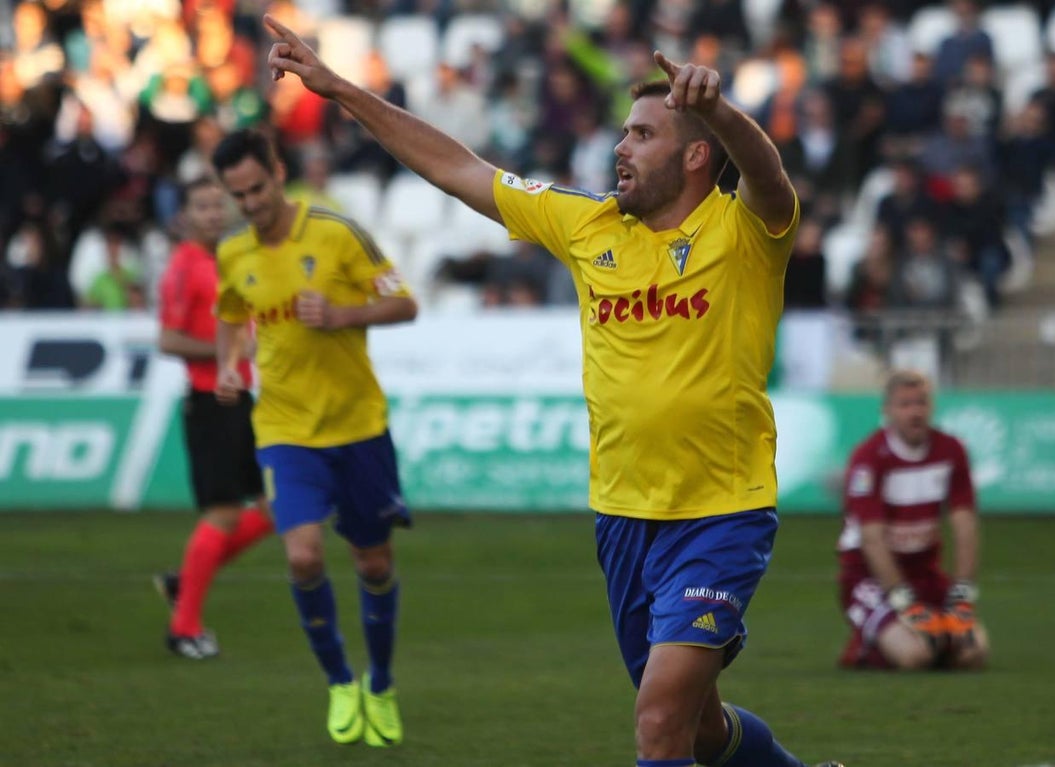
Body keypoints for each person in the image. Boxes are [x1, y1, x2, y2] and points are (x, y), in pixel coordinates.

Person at [265, 15, 843, 767]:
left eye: (642, 134)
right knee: (696, 726)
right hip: (623, 517)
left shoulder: (743, 234)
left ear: (697, 152)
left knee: (659, 721)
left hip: (721, 513)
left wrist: (723, 110)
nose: (619, 147)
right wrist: (340, 90)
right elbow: (457, 167)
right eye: (623, 132)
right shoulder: (586, 225)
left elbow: (769, 177)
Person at [210, 128, 418, 747]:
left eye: (256, 188)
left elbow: (404, 304)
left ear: (277, 172)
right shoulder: (233, 254)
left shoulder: (336, 232)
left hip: (358, 426)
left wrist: (341, 315)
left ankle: (380, 683)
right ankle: (338, 681)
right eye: (237, 195)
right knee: (302, 556)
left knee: (373, 563)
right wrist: (228, 364)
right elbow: (230, 317)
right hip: (283, 428)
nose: (250, 204)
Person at [154, 176, 273, 660]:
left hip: (239, 397)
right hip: (209, 403)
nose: (212, 214)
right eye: (200, 207)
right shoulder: (184, 267)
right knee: (224, 512)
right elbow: (168, 340)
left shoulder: (222, 260)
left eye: (216, 205)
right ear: (184, 216)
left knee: (277, 507)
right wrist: (227, 350)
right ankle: (184, 629)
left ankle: (186, 581)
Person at [835, 369, 990, 671]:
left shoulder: (950, 450)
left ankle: (921, 638)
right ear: (888, 410)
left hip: (925, 573)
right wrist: (902, 599)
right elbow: (872, 539)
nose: (915, 412)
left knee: (973, 653)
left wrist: (962, 593)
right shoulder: (869, 457)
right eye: (905, 404)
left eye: (921, 403)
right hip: (869, 577)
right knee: (915, 656)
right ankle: (864, 647)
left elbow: (965, 524)